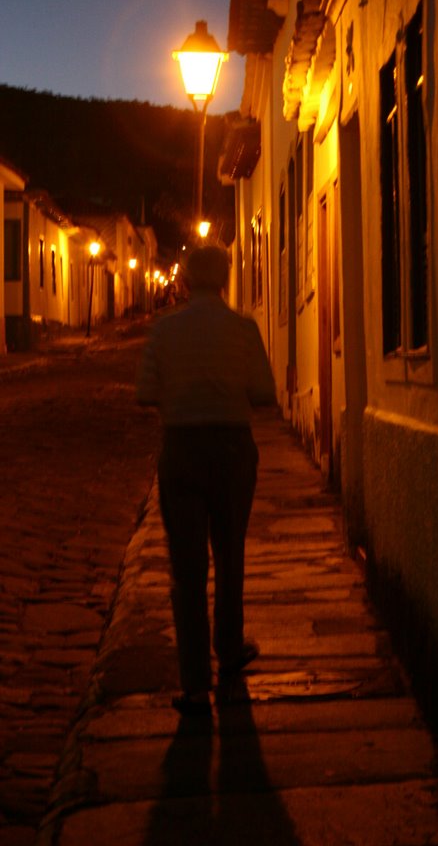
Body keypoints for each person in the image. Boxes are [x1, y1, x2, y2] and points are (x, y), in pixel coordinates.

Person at [136, 243, 276, 716]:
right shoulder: (243, 329)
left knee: (187, 570)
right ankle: (230, 649)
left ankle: (195, 683)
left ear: (183, 282)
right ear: (224, 279)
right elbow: (264, 393)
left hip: (181, 451)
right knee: (229, 553)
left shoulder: (164, 330)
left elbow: (144, 393)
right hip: (233, 449)